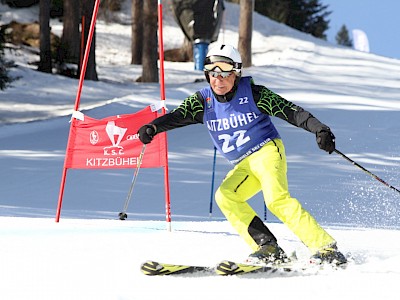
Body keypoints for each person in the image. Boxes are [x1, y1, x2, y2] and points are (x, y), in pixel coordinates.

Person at [138, 44, 347, 266]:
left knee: (276, 199)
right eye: (213, 74)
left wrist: (319, 129)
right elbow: (177, 116)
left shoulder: (255, 94)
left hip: (267, 151)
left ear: (237, 74)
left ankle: (325, 248)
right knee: (226, 196)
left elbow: (291, 112)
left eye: (225, 73)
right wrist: (153, 127)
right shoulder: (202, 102)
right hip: (244, 164)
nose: (219, 80)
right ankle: (267, 247)